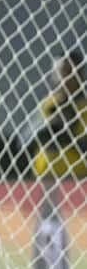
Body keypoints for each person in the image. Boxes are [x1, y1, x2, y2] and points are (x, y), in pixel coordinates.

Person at [31, 50, 87, 179]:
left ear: (80, 74)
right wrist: (45, 129)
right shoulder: (47, 104)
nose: (61, 78)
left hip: (78, 180)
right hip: (42, 179)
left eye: (67, 72)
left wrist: (68, 135)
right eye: (57, 73)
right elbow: (23, 141)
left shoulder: (84, 107)